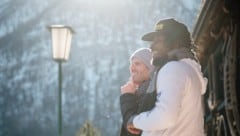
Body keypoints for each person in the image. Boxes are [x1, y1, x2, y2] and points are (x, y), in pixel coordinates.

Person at [126, 18, 208, 136]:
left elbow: (165, 116)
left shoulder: (173, 69)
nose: (152, 46)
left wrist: (134, 121)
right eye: (152, 41)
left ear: (176, 42)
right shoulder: (189, 70)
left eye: (158, 40)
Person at [120, 48, 155, 136]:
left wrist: (127, 96)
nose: (131, 68)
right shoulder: (141, 92)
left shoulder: (151, 93)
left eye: (137, 64)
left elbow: (134, 130)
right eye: (131, 64)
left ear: (150, 68)